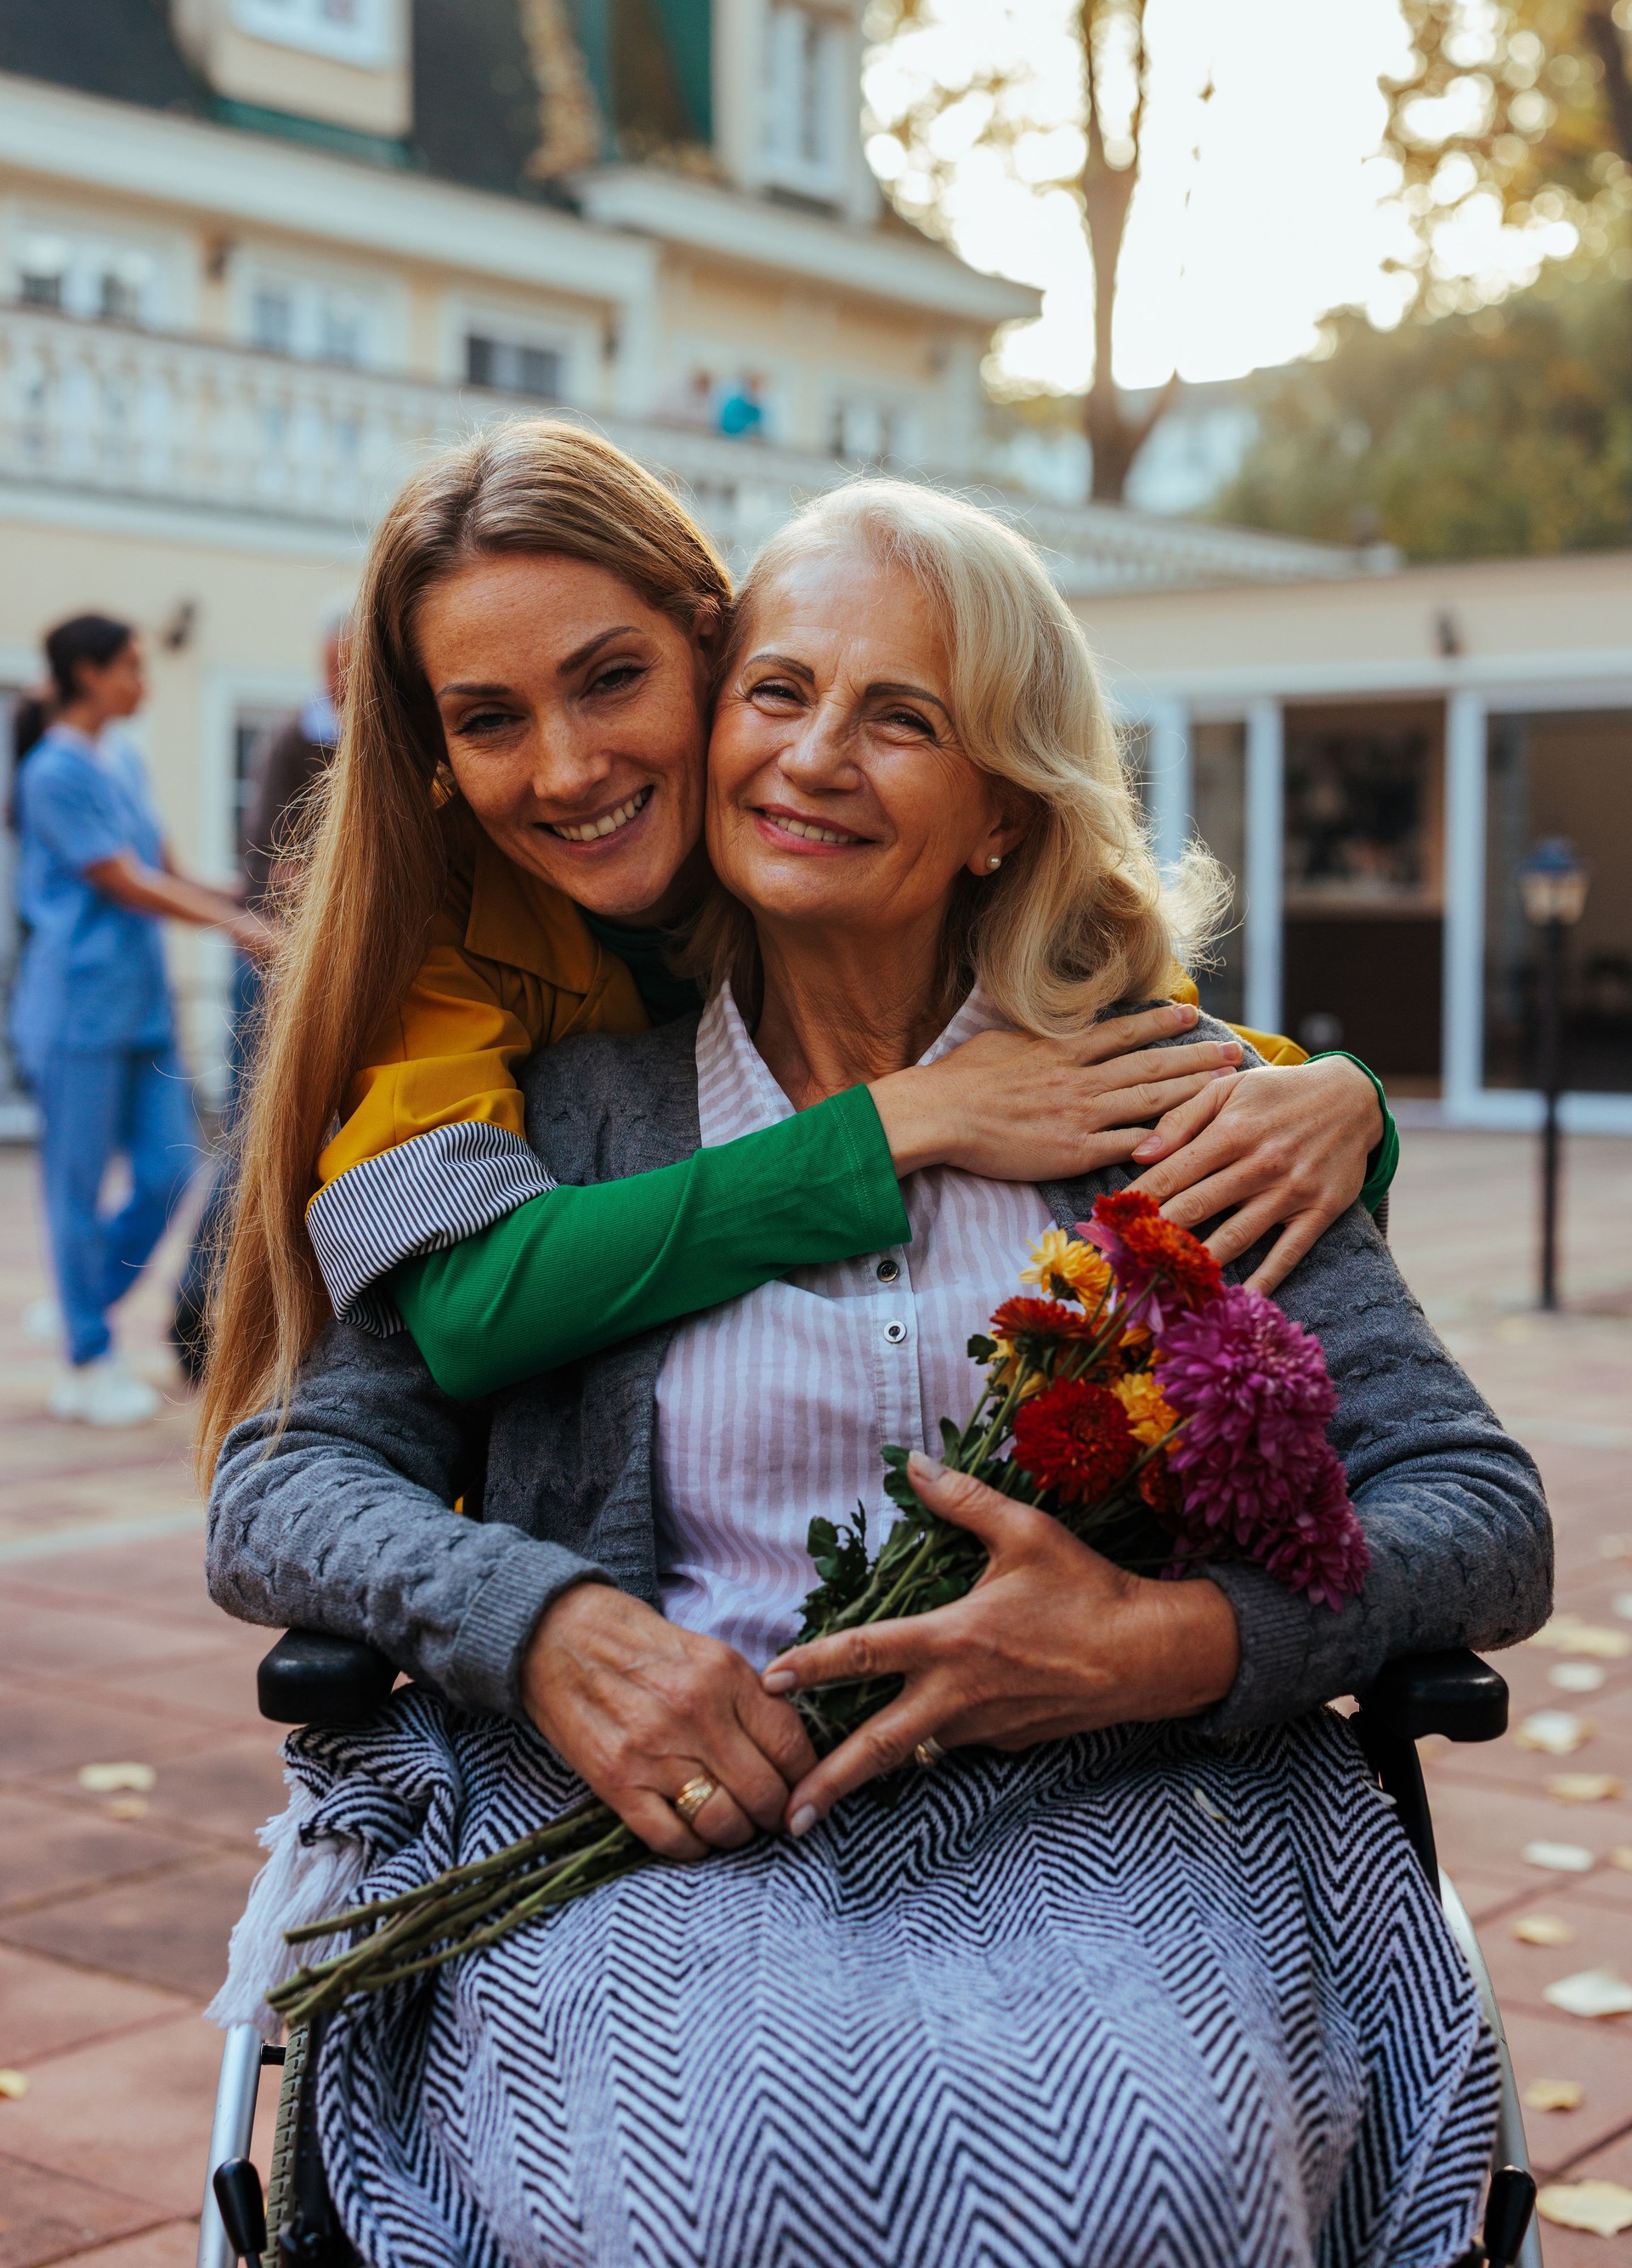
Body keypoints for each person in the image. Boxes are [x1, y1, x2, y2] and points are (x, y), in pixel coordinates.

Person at [207, 482, 1550, 2268]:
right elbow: (282, 1477)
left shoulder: (1163, 1095)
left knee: (1145, 2173)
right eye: (780, 692)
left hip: (1123, 1792)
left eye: (899, 715)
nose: (814, 757)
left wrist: (1170, 1640)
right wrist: (539, 1619)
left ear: (1000, 805)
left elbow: (1480, 1508)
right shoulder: (562, 1101)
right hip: (665, 1802)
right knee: (690, 2185)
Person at [198, 423, 1394, 1467]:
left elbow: (1153, 1059)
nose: (566, 771)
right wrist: (912, 1115)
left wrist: (1352, 1105)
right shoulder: (437, 945)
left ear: (715, 652)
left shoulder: (820, 845)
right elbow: (467, 1307)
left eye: (613, 679)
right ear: (438, 754)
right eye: (490, 719)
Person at [10, 615, 270, 1426]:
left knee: (169, 1174)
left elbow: (169, 868)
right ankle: (87, 1360)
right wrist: (238, 928)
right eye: (129, 665)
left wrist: (250, 890)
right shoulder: (50, 770)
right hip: (77, 1009)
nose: (143, 680)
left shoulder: (122, 754)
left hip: (143, 1003)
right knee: (76, 1190)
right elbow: (123, 879)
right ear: (88, 673)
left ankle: (84, 1297)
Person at [172, 608, 347, 1381]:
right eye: (339, 663)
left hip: (317, 962)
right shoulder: (296, 739)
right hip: (277, 965)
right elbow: (271, 869)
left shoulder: (363, 736)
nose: (345, 678)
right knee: (256, 1141)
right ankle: (194, 1313)